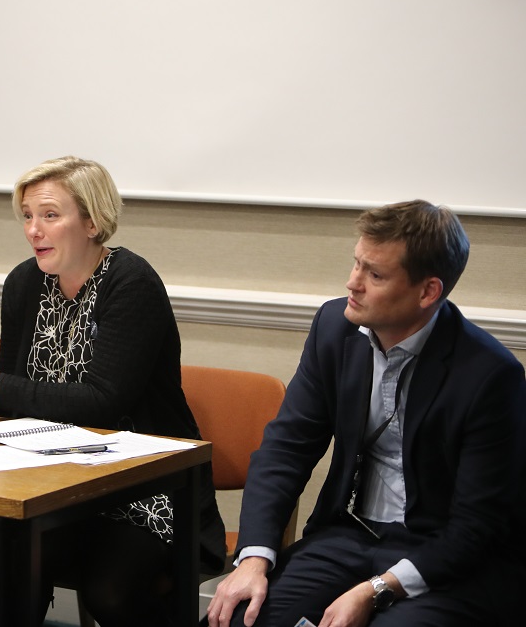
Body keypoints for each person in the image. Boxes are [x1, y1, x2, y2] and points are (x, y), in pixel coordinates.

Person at [0, 155, 226, 627]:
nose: (33, 230)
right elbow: (6, 396)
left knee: (108, 593)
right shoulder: (24, 284)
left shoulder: (131, 283)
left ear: (91, 221)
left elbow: (104, 402)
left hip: (143, 487)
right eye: (27, 216)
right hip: (51, 482)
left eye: (50, 215)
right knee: (15, 559)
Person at [206, 200, 526, 627]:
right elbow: (285, 450)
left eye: (374, 275)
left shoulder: (490, 375)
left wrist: (376, 589)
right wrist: (253, 559)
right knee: (240, 617)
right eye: (357, 264)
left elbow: (474, 529)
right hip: (348, 536)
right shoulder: (334, 330)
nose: (352, 283)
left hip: (445, 556)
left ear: (428, 291)